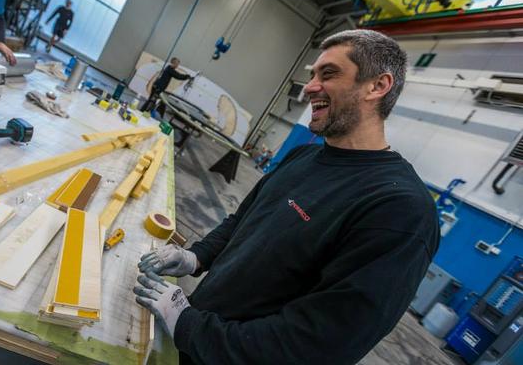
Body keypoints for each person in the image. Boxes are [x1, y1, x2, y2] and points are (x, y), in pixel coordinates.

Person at [134, 29, 440, 365]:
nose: (310, 87)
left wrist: (188, 325)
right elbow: (243, 222)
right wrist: (196, 257)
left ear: (377, 86)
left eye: (329, 74)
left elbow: (316, 345)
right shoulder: (303, 158)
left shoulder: (399, 210)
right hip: (196, 343)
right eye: (312, 75)